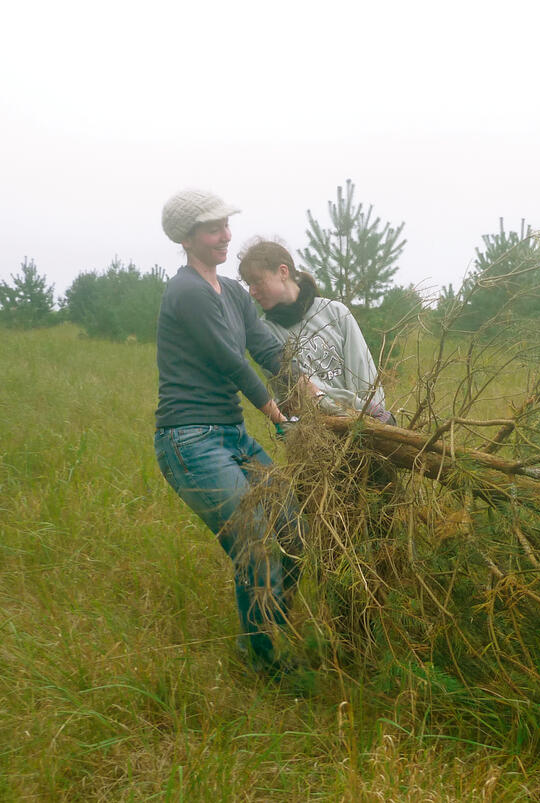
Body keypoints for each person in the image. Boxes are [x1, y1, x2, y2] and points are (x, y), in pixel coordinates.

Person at [153, 189, 300, 669]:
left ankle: (269, 627)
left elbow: (264, 347)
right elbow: (228, 357)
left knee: (295, 527)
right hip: (190, 440)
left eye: (225, 226)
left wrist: (304, 387)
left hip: (232, 436)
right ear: (188, 237)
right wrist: (271, 406)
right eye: (214, 228)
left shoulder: (233, 293)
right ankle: (263, 661)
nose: (225, 235)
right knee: (254, 539)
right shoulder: (186, 291)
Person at [236, 238, 395, 424]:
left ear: (282, 272)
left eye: (257, 282)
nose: (252, 292)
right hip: (321, 431)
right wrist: (354, 414)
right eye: (249, 285)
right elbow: (301, 393)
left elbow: (363, 372)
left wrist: (377, 416)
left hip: (367, 425)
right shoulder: (264, 335)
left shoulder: (335, 312)